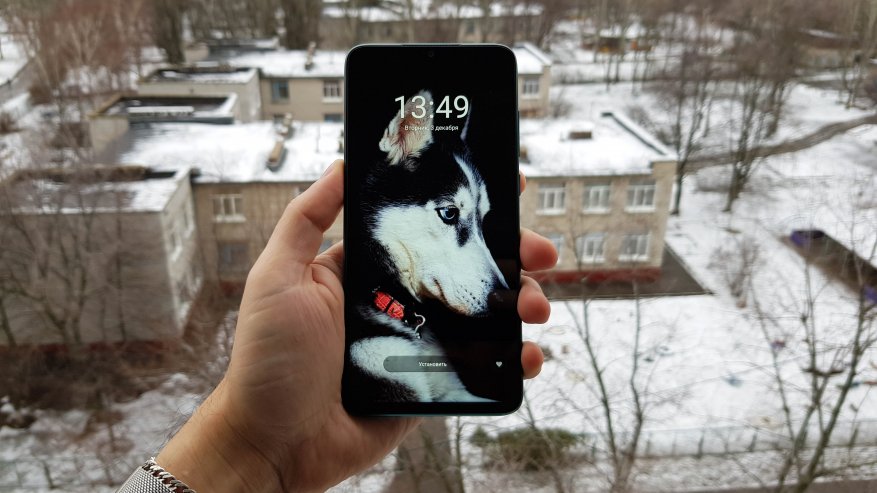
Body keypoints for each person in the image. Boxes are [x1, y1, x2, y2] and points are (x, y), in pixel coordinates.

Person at [119, 160, 557, 493]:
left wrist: (250, 447)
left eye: (476, 221)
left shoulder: (413, 321)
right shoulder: (359, 333)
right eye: (448, 214)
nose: (489, 276)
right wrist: (254, 443)